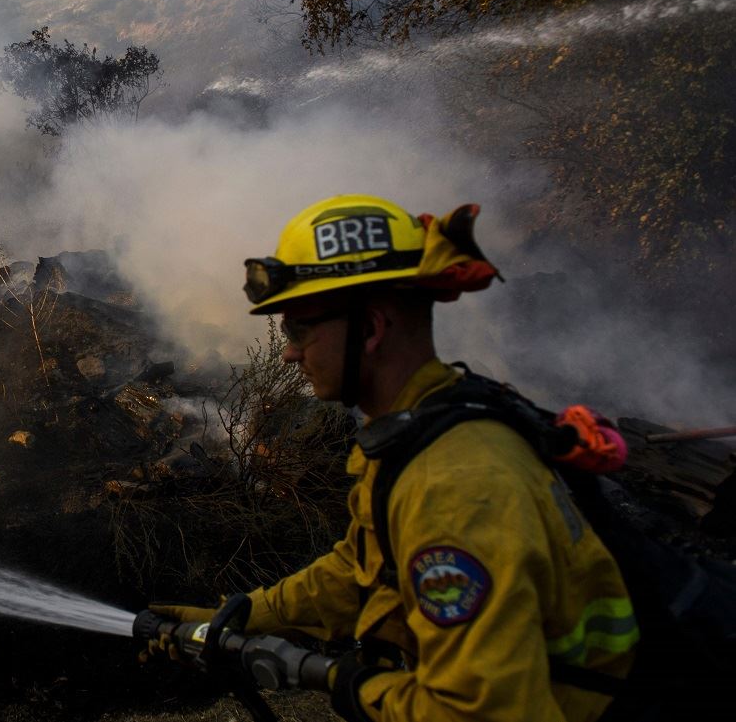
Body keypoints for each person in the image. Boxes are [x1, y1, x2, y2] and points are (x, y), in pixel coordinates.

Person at [155, 195, 637, 722]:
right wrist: (244, 615)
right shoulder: (425, 426)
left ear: (370, 329)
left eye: (299, 330)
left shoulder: (454, 484)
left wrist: (346, 684)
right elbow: (362, 568)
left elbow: (481, 713)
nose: (289, 352)